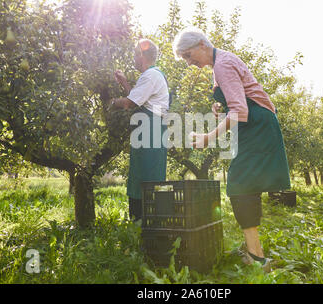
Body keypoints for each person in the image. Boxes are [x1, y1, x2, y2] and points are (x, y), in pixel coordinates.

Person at [173, 28, 291, 272]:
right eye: (184, 57)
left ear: (202, 44)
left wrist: (208, 137)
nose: (188, 61)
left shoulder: (222, 66)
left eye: (188, 54)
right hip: (258, 123)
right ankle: (253, 252)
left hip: (255, 124)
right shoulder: (222, 61)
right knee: (246, 186)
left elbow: (241, 111)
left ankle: (256, 258)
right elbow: (240, 100)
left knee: (239, 184)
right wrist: (223, 107)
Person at [111, 39, 170, 222]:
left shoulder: (150, 75)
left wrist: (112, 103)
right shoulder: (152, 76)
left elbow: (129, 102)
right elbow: (138, 97)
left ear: (142, 55)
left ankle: (144, 224)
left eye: (135, 55)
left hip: (149, 130)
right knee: (143, 176)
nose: (133, 59)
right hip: (149, 129)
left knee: (146, 177)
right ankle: (144, 224)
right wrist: (124, 82)